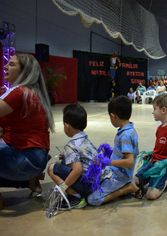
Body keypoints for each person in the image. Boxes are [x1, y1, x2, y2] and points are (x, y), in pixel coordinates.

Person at [0, 53, 54, 209]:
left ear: (24, 71)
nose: (5, 66)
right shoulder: (29, 92)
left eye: (11, 64)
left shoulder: (18, 92)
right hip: (34, 160)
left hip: (26, 160)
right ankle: (29, 180)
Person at [87, 96, 140, 206]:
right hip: (116, 172)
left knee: (92, 199)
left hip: (119, 176)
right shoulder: (130, 130)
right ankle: (126, 186)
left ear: (113, 116)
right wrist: (113, 152)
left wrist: (109, 162)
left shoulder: (125, 135)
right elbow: (136, 151)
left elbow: (130, 161)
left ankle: (127, 188)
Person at [134, 94, 167, 199]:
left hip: (166, 166)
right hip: (154, 162)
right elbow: (162, 147)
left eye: (154, 109)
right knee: (134, 182)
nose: (153, 112)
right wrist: (151, 153)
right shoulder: (159, 129)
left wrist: (166, 162)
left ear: (163, 110)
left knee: (151, 195)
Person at [47, 103, 98, 210]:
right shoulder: (86, 139)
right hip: (96, 184)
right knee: (60, 163)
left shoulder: (70, 145)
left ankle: (74, 197)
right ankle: (77, 193)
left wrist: (63, 187)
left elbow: (77, 170)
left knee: (52, 168)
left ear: (66, 126)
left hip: (87, 187)